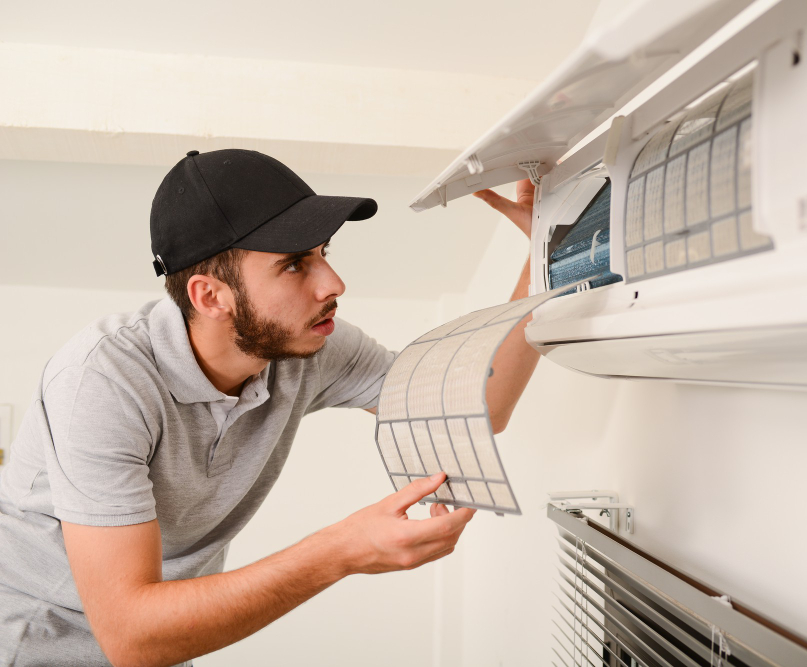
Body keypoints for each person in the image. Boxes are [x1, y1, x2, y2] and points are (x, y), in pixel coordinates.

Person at [0, 149, 539, 666]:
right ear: (210, 296)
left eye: (324, 254)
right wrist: (340, 550)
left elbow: (478, 406)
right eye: (294, 265)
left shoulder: (306, 349)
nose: (334, 283)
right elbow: (131, 637)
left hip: (165, 640)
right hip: (34, 642)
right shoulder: (102, 381)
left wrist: (542, 252)